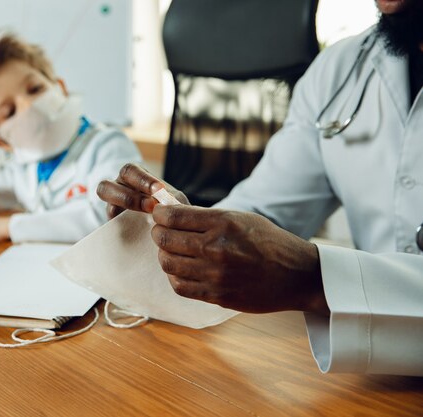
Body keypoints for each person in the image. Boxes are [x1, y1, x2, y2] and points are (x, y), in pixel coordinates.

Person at [96, 0, 423, 376]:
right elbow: (265, 212)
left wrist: (315, 278)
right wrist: (181, 227)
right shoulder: (340, 70)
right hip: (372, 376)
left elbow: (292, 263)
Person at [0, 33, 142, 244]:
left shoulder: (108, 146)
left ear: (60, 89)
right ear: (2, 143)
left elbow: (109, 221)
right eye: (9, 112)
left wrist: (7, 227)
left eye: (35, 89)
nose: (29, 106)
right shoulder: (22, 170)